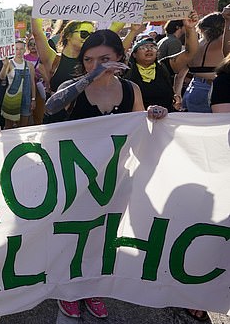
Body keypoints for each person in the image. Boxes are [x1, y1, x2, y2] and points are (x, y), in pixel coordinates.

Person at [45, 30, 168, 319]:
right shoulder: (73, 87)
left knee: (103, 235)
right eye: (88, 60)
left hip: (113, 179)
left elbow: (140, 131)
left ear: (120, 59)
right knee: (72, 236)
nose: (94, 65)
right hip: (73, 178)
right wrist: (91, 76)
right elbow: (51, 106)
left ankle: (93, 288)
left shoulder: (130, 90)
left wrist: (155, 117)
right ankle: (68, 290)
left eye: (104, 59)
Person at [124, 12, 199, 110]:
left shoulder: (165, 66)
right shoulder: (126, 69)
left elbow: (190, 52)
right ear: (134, 54)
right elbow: (116, 53)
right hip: (137, 121)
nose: (149, 49)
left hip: (166, 119)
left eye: (152, 47)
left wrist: (190, 28)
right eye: (143, 47)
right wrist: (133, 32)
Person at [180, 12, 226, 112]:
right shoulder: (221, 43)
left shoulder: (197, 44)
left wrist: (177, 93)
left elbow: (180, 74)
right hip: (211, 90)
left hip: (192, 89)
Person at [0, 40, 36, 128]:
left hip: (26, 99)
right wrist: (5, 66)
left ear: (25, 50)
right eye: (16, 49)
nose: (19, 51)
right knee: (9, 126)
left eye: (21, 49)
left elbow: (32, 83)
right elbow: (2, 77)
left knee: (23, 126)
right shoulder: (9, 63)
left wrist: (33, 99)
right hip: (12, 98)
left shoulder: (29, 65)